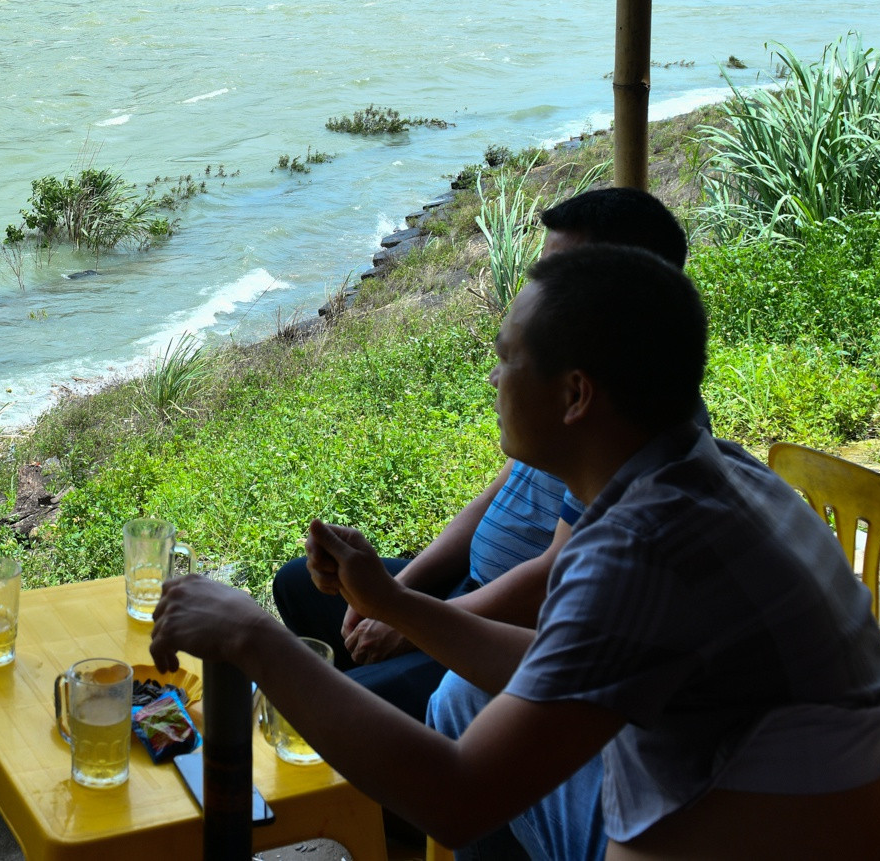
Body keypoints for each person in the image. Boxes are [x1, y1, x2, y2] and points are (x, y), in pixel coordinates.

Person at [150, 245, 880, 861]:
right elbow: (563, 668)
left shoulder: (644, 548)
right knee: (461, 700)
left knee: (456, 736)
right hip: (773, 811)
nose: (492, 375)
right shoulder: (708, 473)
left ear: (575, 394)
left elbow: (459, 796)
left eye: (507, 356)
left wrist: (255, 640)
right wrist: (392, 601)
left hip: (765, 831)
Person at [271, 186, 691, 732]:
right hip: (472, 591)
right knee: (296, 585)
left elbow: (551, 587)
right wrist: (397, 594)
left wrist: (403, 615)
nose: (536, 292)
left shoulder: (615, 427)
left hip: (507, 632)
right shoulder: (562, 404)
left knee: (323, 707)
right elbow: (495, 499)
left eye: (559, 280)